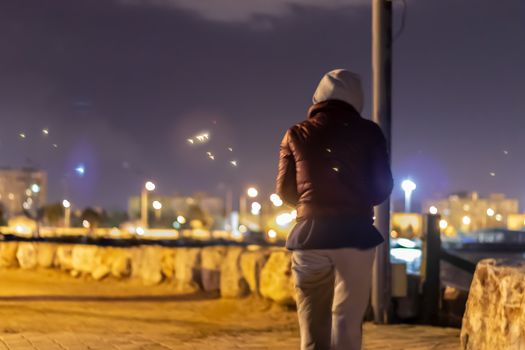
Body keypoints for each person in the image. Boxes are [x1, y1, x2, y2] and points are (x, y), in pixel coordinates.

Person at [275, 69, 393, 350]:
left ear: (318, 97)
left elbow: (283, 190)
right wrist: (356, 203)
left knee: (311, 321)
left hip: (309, 235)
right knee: (347, 320)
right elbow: (382, 188)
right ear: (357, 99)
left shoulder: (296, 133)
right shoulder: (370, 133)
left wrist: (310, 205)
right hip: (357, 237)